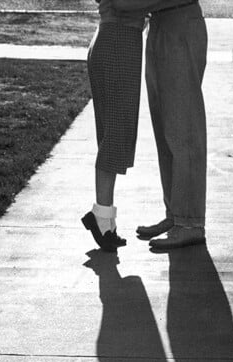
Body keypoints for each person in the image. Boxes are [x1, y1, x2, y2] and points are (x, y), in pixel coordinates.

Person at [112, 0, 208, 251]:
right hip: (160, 25)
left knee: (183, 130)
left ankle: (190, 223)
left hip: (180, 23)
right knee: (166, 132)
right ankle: (176, 215)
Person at [82, 0, 147, 252]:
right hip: (118, 39)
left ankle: (106, 220)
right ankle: (101, 217)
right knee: (116, 134)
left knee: (114, 133)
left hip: (117, 38)